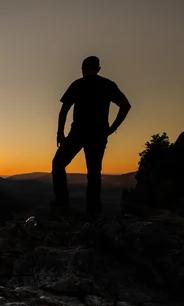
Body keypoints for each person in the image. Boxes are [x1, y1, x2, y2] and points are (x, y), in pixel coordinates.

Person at [52, 56, 131, 219]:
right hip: (98, 134)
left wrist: (60, 133)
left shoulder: (77, 84)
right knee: (94, 172)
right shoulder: (108, 85)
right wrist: (112, 128)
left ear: (82, 69)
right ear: (98, 68)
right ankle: (93, 211)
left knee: (58, 164)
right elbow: (125, 106)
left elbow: (64, 110)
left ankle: (62, 203)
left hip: (78, 132)